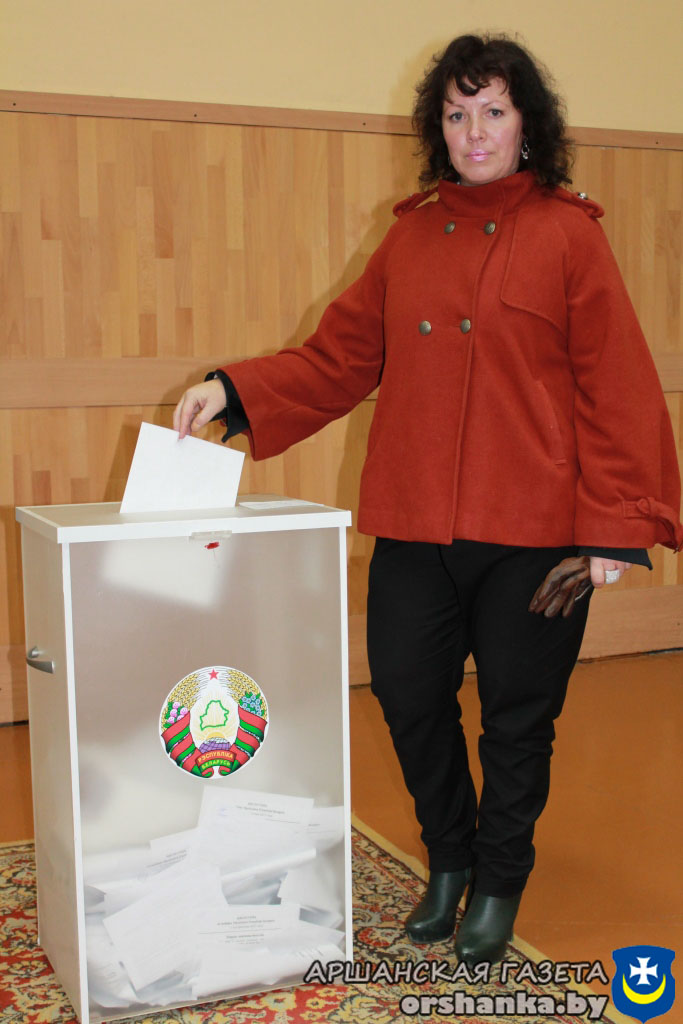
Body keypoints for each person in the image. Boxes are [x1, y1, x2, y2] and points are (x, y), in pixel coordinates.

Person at [173, 34, 682, 964]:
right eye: (455, 114)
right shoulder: (408, 236)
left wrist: (615, 531)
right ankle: (448, 859)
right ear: (435, 128)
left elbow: (616, 386)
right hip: (413, 524)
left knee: (517, 720)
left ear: (526, 125)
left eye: (492, 111)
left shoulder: (569, 234)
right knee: (409, 696)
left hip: (538, 535)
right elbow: (337, 358)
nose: (473, 131)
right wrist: (231, 390)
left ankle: (498, 878)